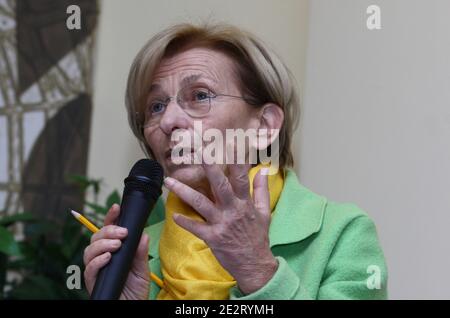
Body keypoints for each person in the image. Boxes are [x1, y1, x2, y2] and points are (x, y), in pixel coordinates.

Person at [83, 23, 388, 300]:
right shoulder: (135, 249)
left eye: (200, 96)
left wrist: (258, 271)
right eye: (156, 106)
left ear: (265, 125)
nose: (168, 121)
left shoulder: (342, 234)